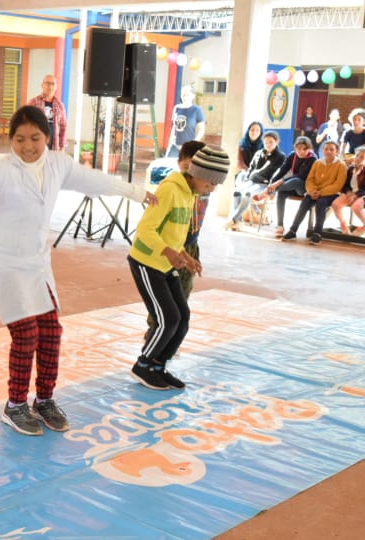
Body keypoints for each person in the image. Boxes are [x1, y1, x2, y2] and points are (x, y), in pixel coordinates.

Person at [0, 105, 158, 436]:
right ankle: (15, 405)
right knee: (26, 333)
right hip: (4, 263)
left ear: (48, 138)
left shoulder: (58, 165)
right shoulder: (0, 171)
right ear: (10, 139)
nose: (28, 146)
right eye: (20, 139)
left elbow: (95, 181)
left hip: (37, 264)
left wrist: (136, 192)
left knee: (51, 333)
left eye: (35, 138)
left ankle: (44, 400)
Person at [129, 145, 231, 390]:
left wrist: (185, 255)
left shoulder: (190, 193)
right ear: (196, 173)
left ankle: (158, 366)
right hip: (146, 262)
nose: (212, 189)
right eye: (210, 183)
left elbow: (174, 234)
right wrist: (167, 252)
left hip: (166, 263)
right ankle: (142, 365)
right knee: (167, 319)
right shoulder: (170, 190)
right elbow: (145, 230)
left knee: (182, 318)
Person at [144, 140, 206, 341]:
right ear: (180, 163)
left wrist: (189, 253)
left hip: (190, 244)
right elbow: (149, 227)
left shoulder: (203, 188)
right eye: (187, 166)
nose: (192, 173)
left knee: (182, 291)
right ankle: (156, 329)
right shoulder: (172, 188)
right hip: (169, 248)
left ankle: (172, 330)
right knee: (163, 295)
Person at [281, 140, 348, 244]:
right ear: (322, 150)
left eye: (331, 149)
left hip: (332, 194)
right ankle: (293, 230)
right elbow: (310, 179)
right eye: (326, 149)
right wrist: (312, 191)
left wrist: (321, 192)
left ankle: (317, 234)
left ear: (337, 151)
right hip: (315, 192)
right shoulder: (317, 163)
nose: (328, 151)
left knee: (321, 203)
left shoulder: (341, 165)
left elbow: (338, 185)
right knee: (305, 203)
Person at [256, 136, 317, 237]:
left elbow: (300, 175)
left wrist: (279, 183)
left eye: (304, 149)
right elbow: (282, 169)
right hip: (290, 186)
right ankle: (280, 226)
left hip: (305, 188)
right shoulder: (293, 155)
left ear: (309, 149)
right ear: (294, 148)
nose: (301, 151)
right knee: (281, 193)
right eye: (298, 148)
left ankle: (266, 192)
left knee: (296, 181)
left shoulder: (312, 158)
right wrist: (272, 182)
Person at [226, 131, 286, 230]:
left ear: (277, 142)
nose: (268, 144)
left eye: (271, 142)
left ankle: (233, 219)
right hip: (252, 181)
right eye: (266, 142)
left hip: (265, 184)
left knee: (247, 194)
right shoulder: (259, 153)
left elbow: (275, 173)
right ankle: (239, 221)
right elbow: (251, 168)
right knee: (236, 192)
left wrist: (268, 187)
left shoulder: (281, 157)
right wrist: (248, 178)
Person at [27, 74, 67, 152]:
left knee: (52, 164)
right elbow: (26, 123)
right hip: (36, 145)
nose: (50, 86)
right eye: (48, 83)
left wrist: (62, 146)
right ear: (42, 85)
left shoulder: (60, 105)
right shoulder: (33, 102)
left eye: (53, 84)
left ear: (56, 87)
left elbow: (63, 127)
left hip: (54, 146)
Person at [331, 145, 365, 235]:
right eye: (357, 155)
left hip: (362, 195)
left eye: (362, 157)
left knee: (355, 207)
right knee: (335, 204)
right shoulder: (350, 169)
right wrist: (348, 192)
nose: (358, 158)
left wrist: (356, 195)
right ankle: (344, 224)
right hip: (351, 194)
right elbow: (345, 185)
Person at [165, 85, 205, 158]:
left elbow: (201, 129)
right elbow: (174, 127)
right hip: (174, 146)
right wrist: (170, 142)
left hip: (188, 148)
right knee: (168, 166)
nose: (185, 97)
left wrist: (193, 143)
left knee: (186, 168)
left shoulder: (197, 110)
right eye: (183, 94)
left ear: (193, 96)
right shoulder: (176, 108)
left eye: (187, 95)